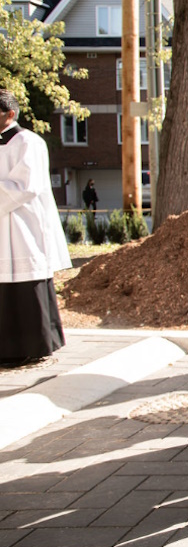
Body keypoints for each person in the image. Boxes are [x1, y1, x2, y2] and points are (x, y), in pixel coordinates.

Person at [0, 90, 71, 368]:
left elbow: (25, 186)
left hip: (22, 227)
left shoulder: (29, 142)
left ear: (10, 114)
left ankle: (33, 346)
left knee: (24, 287)